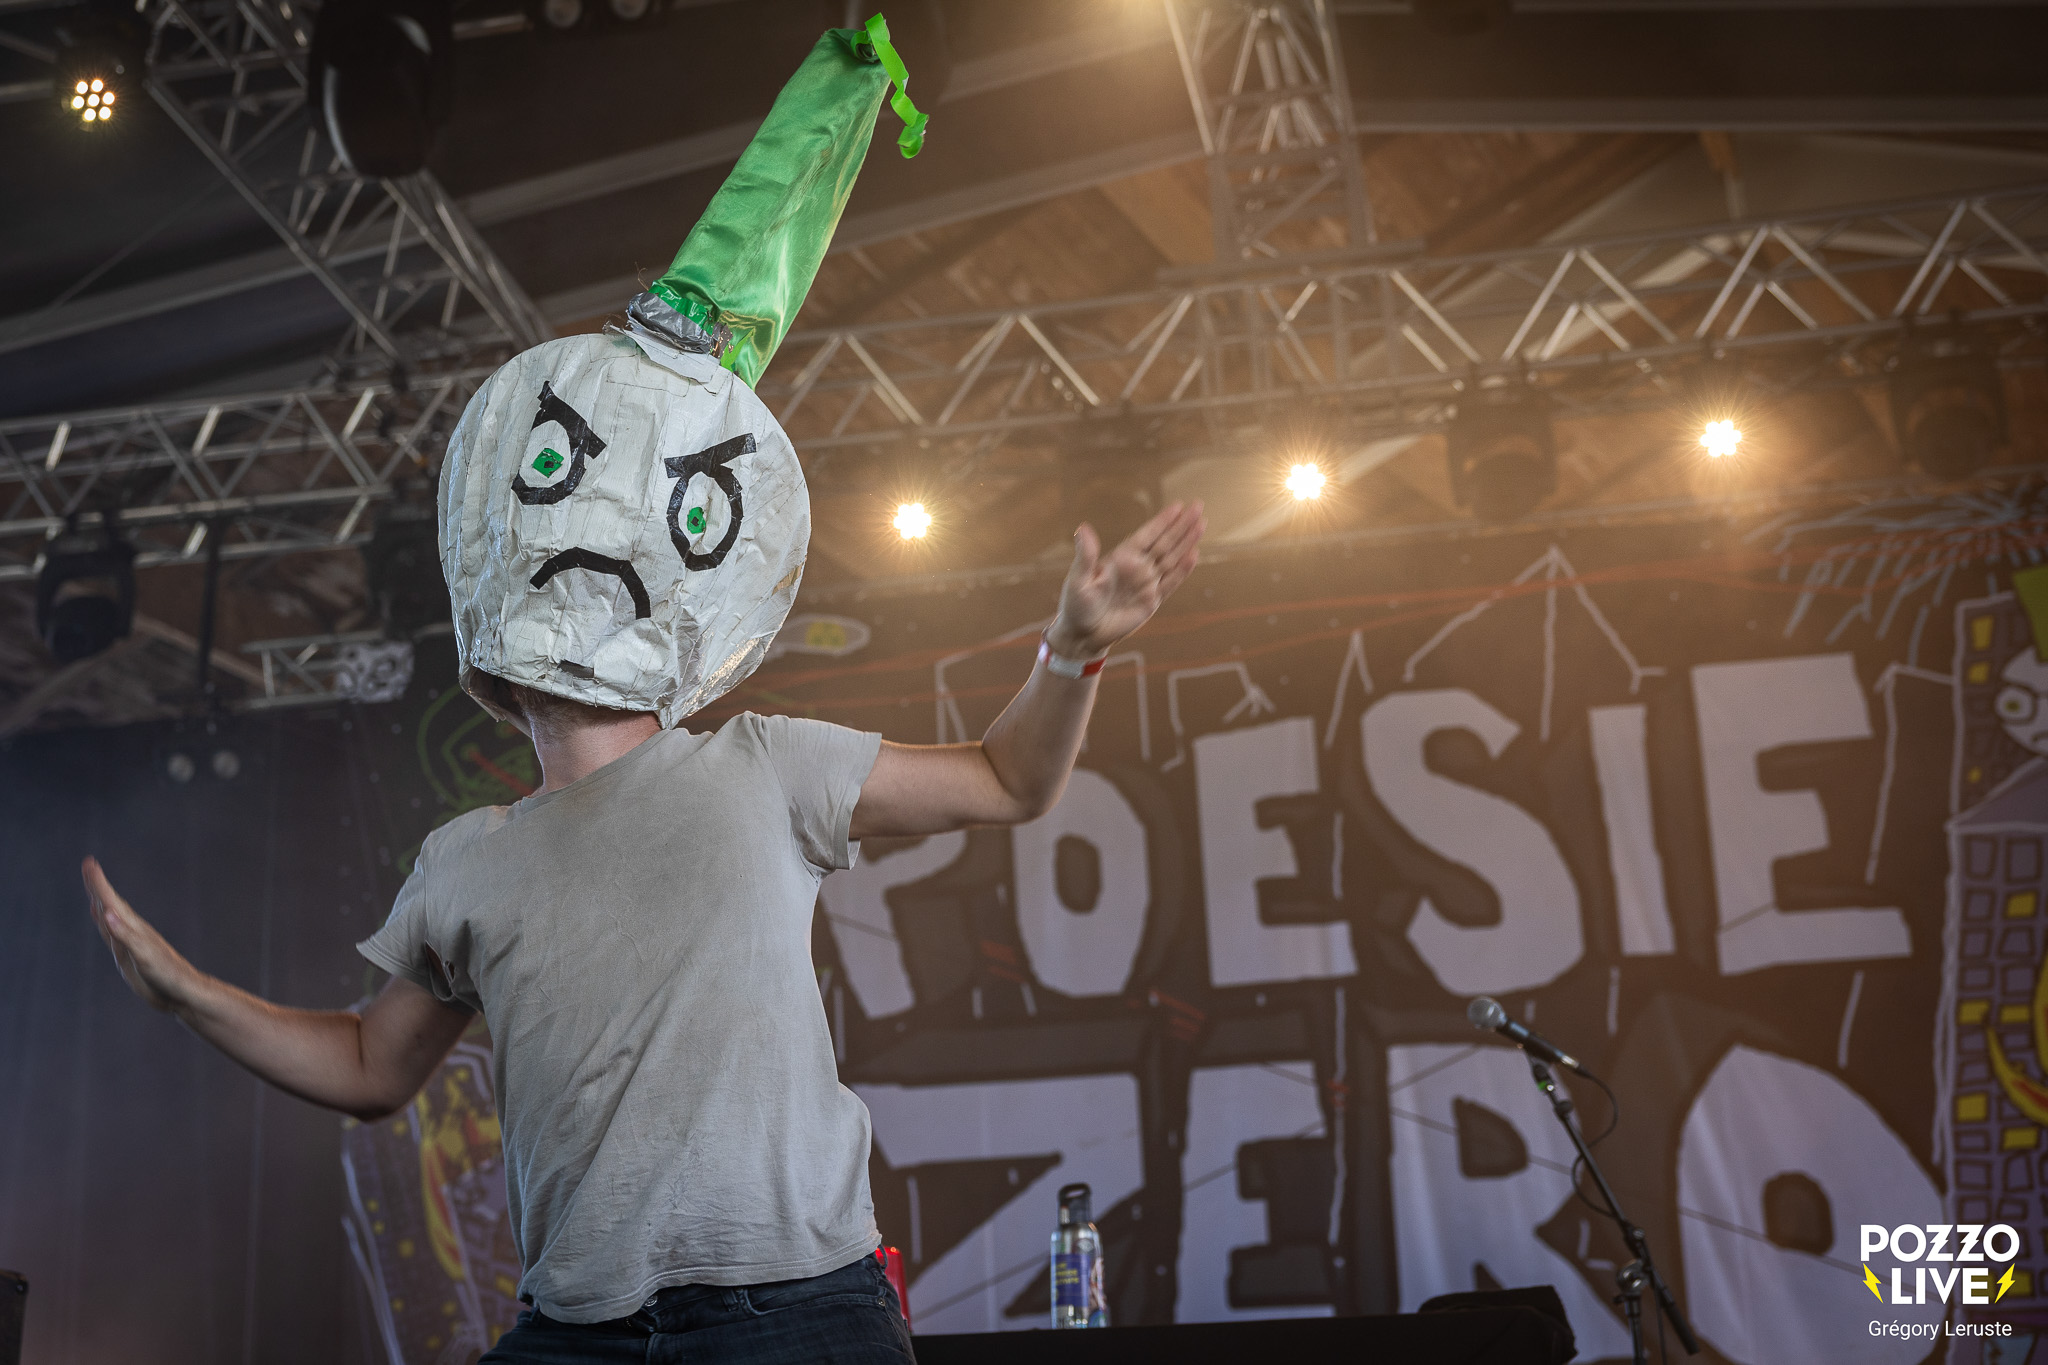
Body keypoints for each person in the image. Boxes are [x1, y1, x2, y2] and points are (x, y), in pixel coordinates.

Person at [83, 497, 1204, 1363]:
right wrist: (188, 995)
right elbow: (372, 1067)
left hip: (797, 1312)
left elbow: (1009, 779)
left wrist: (1072, 648)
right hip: (574, 1329)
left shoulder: (764, 763)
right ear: (491, 666)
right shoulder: (463, 859)